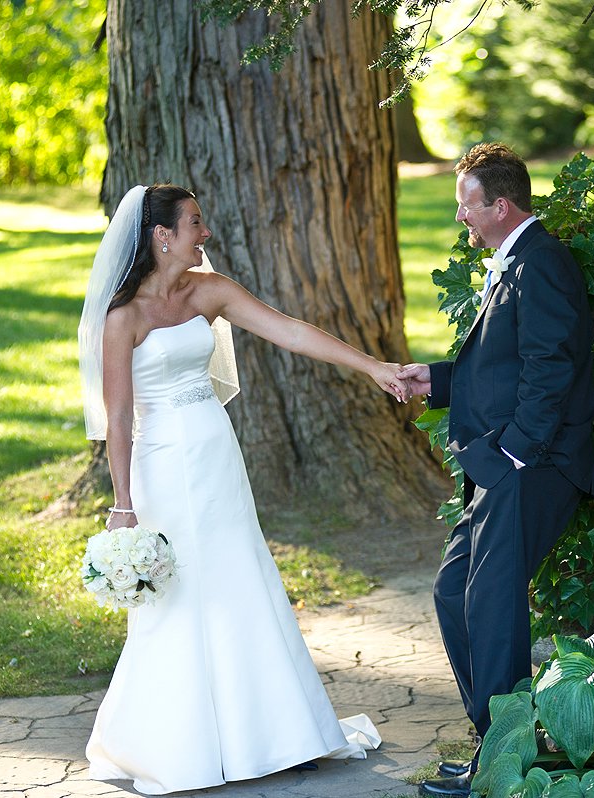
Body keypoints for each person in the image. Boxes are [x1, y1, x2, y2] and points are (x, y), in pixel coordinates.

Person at [78, 183, 399, 795]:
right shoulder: (123, 318)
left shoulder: (210, 292)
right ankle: (177, 743)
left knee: (238, 575)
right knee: (177, 595)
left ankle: (275, 733)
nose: (206, 234)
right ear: (161, 236)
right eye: (195, 223)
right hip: (162, 467)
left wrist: (375, 368)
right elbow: (118, 418)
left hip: (216, 457)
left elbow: (292, 332)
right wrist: (123, 505)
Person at [397, 143, 594, 798]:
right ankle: (499, 736)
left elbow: (551, 365)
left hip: (530, 465)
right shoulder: (512, 261)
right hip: (502, 465)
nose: (462, 217)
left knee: (492, 605)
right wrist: (440, 380)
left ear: (499, 205)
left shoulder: (540, 263)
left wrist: (516, 452)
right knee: (456, 594)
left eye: (466, 204)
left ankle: (505, 763)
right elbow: (505, 364)